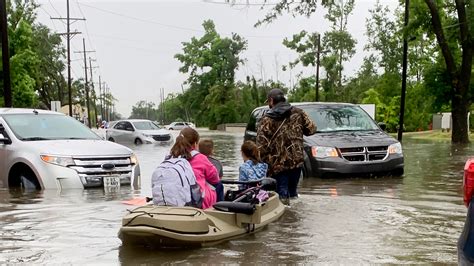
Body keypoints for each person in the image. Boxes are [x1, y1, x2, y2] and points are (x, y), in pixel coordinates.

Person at [256, 88, 316, 205]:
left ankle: (285, 221)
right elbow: (312, 129)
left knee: (281, 197)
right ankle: (294, 219)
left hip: (277, 165)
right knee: (293, 194)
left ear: (271, 101)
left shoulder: (266, 119)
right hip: (297, 162)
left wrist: (262, 164)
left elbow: (261, 147)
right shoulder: (299, 113)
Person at [172, 127, 221, 209]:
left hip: (174, 198)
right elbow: (215, 178)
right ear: (195, 144)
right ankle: (220, 211)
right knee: (219, 185)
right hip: (197, 201)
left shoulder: (171, 156)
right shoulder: (200, 158)